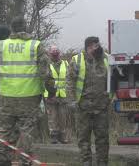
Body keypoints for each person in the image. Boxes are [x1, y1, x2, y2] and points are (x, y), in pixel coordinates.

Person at [0, 16, 55, 166]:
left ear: (12, 28)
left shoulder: (1, 45)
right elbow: (45, 72)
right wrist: (51, 91)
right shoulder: (35, 45)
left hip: (6, 96)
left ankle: (0, 160)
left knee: (4, 130)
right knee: (27, 132)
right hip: (29, 97)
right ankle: (25, 161)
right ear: (25, 28)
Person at [67, 37, 110, 166]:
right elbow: (69, 82)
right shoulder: (77, 60)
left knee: (102, 140)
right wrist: (72, 101)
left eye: (96, 46)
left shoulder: (107, 59)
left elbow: (114, 79)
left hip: (101, 107)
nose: (94, 49)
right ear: (87, 48)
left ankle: (102, 163)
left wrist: (111, 99)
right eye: (91, 47)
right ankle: (86, 163)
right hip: (83, 108)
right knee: (83, 140)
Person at [44, 46, 71, 144]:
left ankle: (63, 137)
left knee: (63, 117)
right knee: (52, 117)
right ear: (49, 53)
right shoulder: (47, 65)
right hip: (51, 95)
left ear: (59, 53)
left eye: (56, 51)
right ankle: (54, 137)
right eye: (52, 51)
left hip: (63, 95)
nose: (55, 53)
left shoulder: (66, 63)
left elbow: (69, 78)